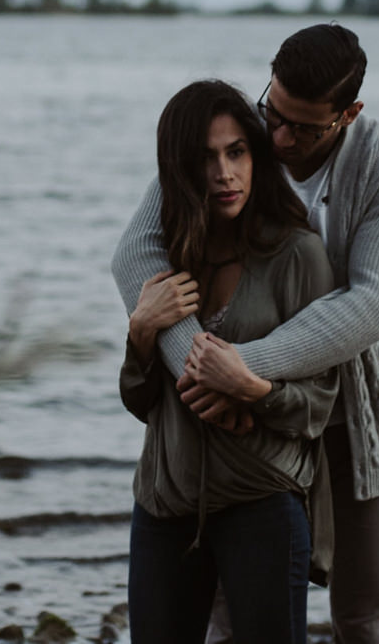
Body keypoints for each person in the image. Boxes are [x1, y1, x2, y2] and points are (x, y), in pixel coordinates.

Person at [114, 24, 379, 644]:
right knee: (231, 616)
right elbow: (137, 256)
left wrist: (244, 370)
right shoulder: (242, 141)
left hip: (352, 413)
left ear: (348, 114)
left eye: (303, 128)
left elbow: (370, 306)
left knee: (365, 616)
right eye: (273, 112)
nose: (279, 139)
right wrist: (196, 367)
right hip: (238, 435)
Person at [120, 79, 338, 644]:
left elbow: (319, 405)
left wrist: (254, 391)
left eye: (236, 152)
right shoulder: (167, 257)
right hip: (164, 504)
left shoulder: (297, 255)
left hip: (261, 504)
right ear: (179, 170)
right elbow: (143, 403)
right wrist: (141, 333)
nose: (224, 173)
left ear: (256, 155)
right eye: (205, 158)